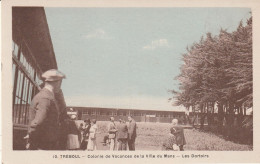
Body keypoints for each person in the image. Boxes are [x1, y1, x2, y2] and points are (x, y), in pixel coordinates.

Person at [26, 69, 66, 150]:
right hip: (42, 144)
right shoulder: (46, 98)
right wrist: (31, 135)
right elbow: (38, 121)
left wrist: (59, 94)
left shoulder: (48, 96)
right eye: (60, 82)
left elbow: (62, 110)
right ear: (57, 82)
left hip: (44, 142)